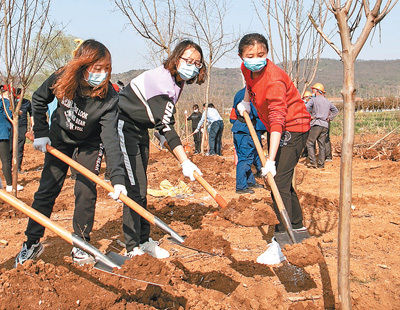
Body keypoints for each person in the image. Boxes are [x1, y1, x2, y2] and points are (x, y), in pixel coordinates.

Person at [15, 39, 127, 267]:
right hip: (59, 138)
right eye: (97, 69)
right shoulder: (63, 76)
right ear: (82, 66)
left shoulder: (109, 98)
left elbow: (111, 139)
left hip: (90, 143)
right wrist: (41, 132)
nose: (102, 74)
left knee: (86, 190)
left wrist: (117, 178)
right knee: (47, 189)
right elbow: (38, 99)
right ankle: (32, 242)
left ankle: (81, 244)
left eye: (107, 69)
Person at [117, 39, 206, 258]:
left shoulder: (177, 82)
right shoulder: (162, 82)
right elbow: (166, 125)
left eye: (197, 63)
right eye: (188, 60)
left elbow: (159, 122)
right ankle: (132, 247)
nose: (192, 65)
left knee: (141, 184)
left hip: (140, 129)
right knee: (133, 185)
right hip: (122, 125)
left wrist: (168, 141)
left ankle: (144, 239)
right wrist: (185, 161)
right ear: (176, 59)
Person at [236, 33, 311, 264]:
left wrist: (270, 158)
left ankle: (281, 242)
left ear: (267, 54)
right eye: (250, 55)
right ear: (241, 56)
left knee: (277, 181)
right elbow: (249, 84)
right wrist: (247, 101)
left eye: (261, 55)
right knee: (283, 182)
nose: (256, 59)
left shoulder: (275, 79)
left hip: (293, 127)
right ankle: (297, 228)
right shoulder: (246, 68)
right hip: (276, 127)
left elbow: (279, 119)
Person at [230, 87, 264, 194]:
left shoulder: (239, 93)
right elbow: (256, 112)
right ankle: (241, 186)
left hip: (239, 129)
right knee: (245, 158)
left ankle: (249, 181)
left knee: (247, 157)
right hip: (246, 129)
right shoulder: (252, 94)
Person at [305, 83, 338, 168]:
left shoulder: (313, 100)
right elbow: (335, 111)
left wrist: (310, 116)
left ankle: (313, 163)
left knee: (309, 143)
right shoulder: (327, 101)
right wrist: (329, 118)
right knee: (322, 145)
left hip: (316, 124)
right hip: (325, 125)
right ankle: (321, 164)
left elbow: (305, 108)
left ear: (316, 91)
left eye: (313, 90)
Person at [0, 85, 23, 192]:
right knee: (6, 160)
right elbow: (10, 114)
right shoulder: (5, 102)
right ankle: (9, 185)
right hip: (3, 134)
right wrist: (18, 112)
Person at [15, 88, 33, 173]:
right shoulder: (12, 102)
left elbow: (31, 114)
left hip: (22, 126)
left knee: (20, 147)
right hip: (12, 125)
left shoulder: (27, 102)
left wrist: (32, 126)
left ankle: (17, 168)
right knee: (11, 147)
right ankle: (9, 167)